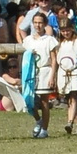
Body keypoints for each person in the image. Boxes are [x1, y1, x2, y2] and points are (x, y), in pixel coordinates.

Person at [22, 9, 59, 137]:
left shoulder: (49, 40)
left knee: (44, 101)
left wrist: (52, 76)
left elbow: (54, 59)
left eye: (40, 23)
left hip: (45, 70)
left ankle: (44, 129)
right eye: (36, 22)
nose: (38, 25)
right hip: (32, 72)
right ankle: (38, 120)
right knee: (28, 100)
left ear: (45, 24)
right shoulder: (28, 40)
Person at [56, 20, 77, 135]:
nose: (65, 33)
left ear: (72, 29)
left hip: (76, 72)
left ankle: (69, 122)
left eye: (67, 30)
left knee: (74, 97)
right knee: (70, 99)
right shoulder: (60, 43)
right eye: (63, 31)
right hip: (64, 73)